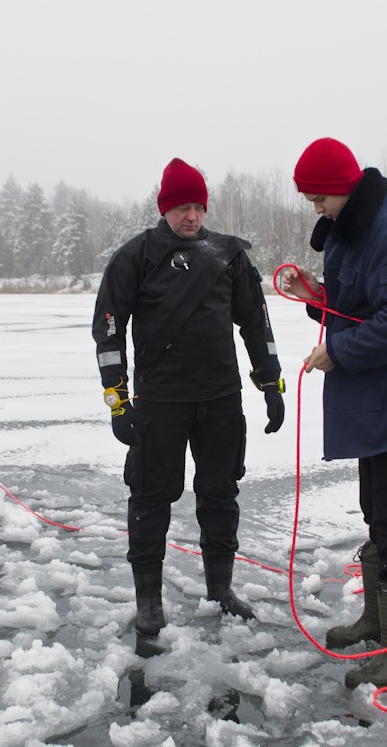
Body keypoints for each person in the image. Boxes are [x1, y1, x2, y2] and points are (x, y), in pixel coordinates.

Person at [281, 137, 387, 689]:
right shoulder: (355, 228)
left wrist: (340, 350)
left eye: (318, 199)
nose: (316, 210)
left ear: (341, 188)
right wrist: (316, 294)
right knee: (376, 510)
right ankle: (380, 622)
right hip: (376, 397)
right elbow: (357, 302)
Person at [93, 157, 285, 637]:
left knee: (220, 494)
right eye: (182, 207)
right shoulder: (134, 256)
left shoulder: (229, 255)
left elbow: (256, 322)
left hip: (220, 400)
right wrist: (118, 400)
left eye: (198, 206)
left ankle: (221, 590)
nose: (192, 216)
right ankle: (148, 602)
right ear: (165, 208)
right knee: (151, 496)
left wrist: (270, 382)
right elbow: (109, 333)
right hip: (160, 403)